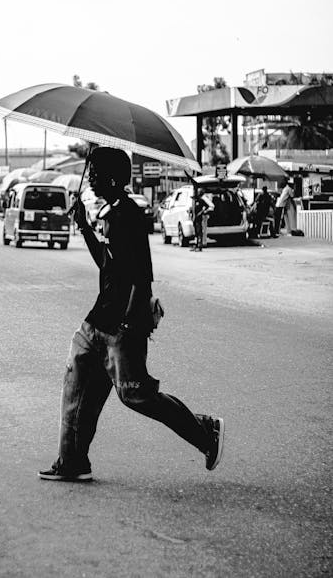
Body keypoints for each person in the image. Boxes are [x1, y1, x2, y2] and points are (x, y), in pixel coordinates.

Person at [38, 146, 224, 482]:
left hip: (121, 326)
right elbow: (108, 267)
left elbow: (142, 278)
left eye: (95, 173)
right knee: (77, 389)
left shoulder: (129, 216)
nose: (90, 178)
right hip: (96, 322)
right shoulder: (111, 214)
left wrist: (126, 324)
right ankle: (73, 461)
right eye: (89, 172)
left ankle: (204, 432)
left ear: (111, 178)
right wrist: (84, 226)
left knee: (137, 395)